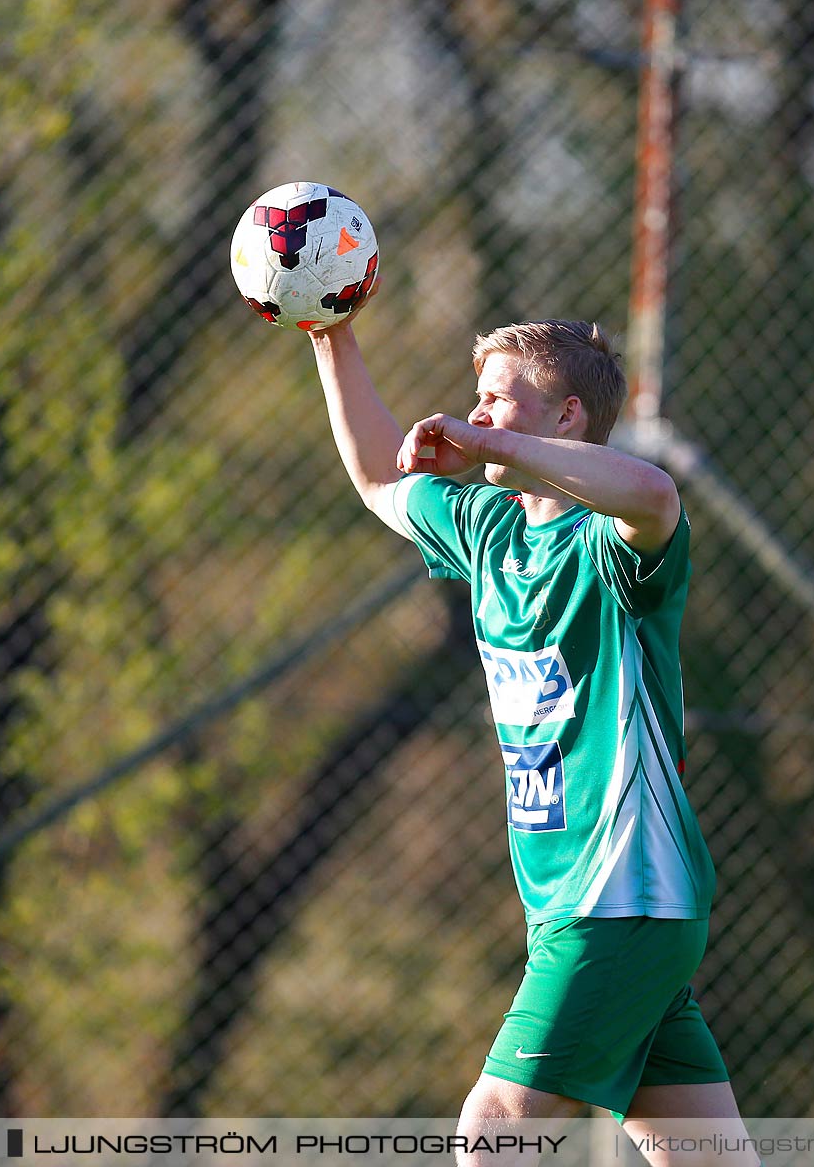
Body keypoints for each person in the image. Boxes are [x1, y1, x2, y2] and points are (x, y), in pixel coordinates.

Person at [307, 308, 749, 1166]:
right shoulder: (489, 531)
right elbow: (373, 477)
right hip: (575, 912)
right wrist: (331, 336)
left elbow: (656, 497)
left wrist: (498, 454)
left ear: (567, 418)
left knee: (493, 1135)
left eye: (498, 402)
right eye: (477, 401)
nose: (478, 419)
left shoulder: (613, 550)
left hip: (620, 898)